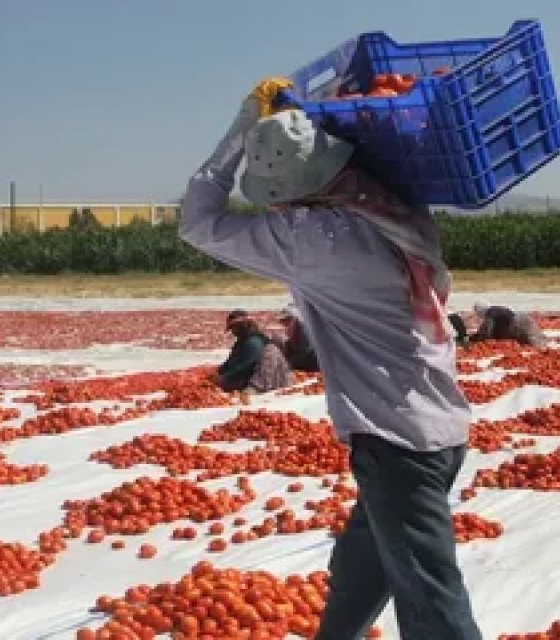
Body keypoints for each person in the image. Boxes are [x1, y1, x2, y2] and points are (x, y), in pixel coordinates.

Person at [179, 78, 482, 640]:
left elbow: (199, 221)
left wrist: (243, 128)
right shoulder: (396, 207)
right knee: (361, 568)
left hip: (399, 443)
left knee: (431, 602)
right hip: (435, 431)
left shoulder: (314, 238)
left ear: (287, 193)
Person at [216, 309, 292, 393]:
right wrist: (218, 371)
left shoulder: (253, 341)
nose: (233, 332)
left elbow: (248, 365)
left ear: (241, 326)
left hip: (261, 379)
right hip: (248, 376)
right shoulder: (241, 342)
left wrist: (225, 377)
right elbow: (230, 361)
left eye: (233, 328)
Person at [470, 301, 547, 346]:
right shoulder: (496, 310)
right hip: (524, 320)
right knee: (538, 341)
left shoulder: (490, 313)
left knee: (533, 344)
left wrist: (474, 340)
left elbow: (486, 332)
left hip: (518, 326)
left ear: (480, 311)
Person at [274, 303, 320, 372]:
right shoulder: (293, 333)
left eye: (288, 321)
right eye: (283, 322)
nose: (285, 326)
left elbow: (311, 355)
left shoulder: (306, 331)